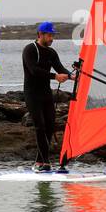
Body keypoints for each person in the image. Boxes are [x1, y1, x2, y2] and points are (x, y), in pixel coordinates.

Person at [22, 22, 70, 171]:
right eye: (49, 35)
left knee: (49, 126)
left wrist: (72, 75)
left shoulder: (51, 52)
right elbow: (34, 71)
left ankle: (39, 162)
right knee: (40, 126)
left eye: (53, 35)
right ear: (40, 34)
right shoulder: (30, 49)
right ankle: (44, 162)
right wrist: (54, 76)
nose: (52, 38)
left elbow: (60, 68)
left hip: (46, 94)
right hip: (32, 94)